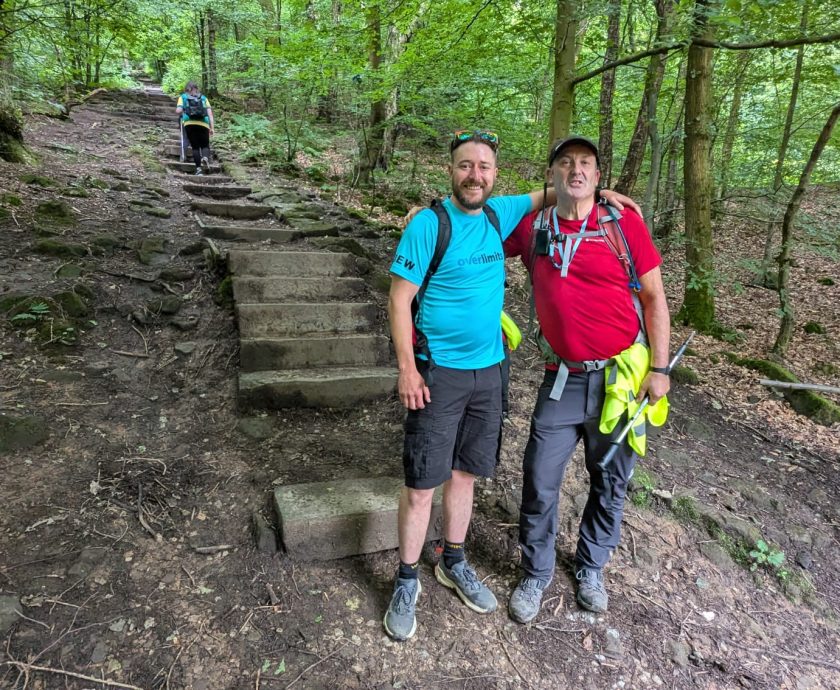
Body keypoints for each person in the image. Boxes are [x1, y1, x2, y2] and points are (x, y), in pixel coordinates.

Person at [384, 130, 639, 642]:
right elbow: (397, 299)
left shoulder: (502, 213)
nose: (474, 174)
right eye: (464, 166)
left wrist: (603, 194)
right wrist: (407, 369)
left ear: (495, 174)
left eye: (483, 166)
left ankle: (452, 561)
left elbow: (560, 191)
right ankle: (406, 578)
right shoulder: (429, 226)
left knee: (464, 475)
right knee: (421, 485)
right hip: (437, 373)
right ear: (450, 171)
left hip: (490, 372)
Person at [503, 135, 670, 624]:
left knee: (611, 480)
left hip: (619, 380)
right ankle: (536, 572)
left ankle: (592, 566)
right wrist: (429, 223)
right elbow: (477, 230)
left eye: (586, 164)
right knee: (539, 480)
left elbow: (655, 299)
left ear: (598, 177)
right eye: (566, 163)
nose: (576, 170)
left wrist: (659, 370)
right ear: (552, 174)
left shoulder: (623, 226)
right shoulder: (533, 229)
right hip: (561, 379)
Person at [175, 81, 215, 175]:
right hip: (203, 123)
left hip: (189, 123)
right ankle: (205, 157)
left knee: (195, 147)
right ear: (196, 89)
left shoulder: (183, 97)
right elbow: (210, 114)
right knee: (205, 145)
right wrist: (212, 128)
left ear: (186, 89)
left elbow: (178, 110)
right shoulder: (204, 98)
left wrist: (182, 110)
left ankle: (198, 169)